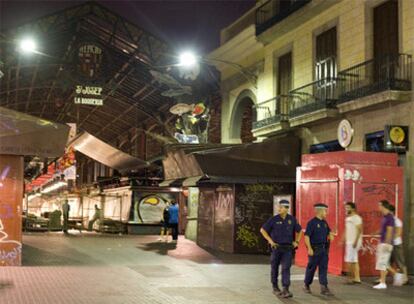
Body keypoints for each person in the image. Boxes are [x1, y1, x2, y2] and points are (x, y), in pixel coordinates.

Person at [260, 200, 302, 298]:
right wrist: (270, 241)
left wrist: (297, 242)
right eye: (278, 207)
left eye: (281, 207)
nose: (279, 209)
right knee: (274, 267)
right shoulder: (273, 219)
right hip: (276, 248)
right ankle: (275, 287)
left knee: (286, 268)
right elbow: (262, 230)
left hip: (287, 249)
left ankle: (285, 289)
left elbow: (299, 231)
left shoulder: (292, 220)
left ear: (287, 208)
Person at [303, 203, 335, 296]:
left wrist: (330, 235)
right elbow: (306, 237)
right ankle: (306, 285)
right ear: (319, 211)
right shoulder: (311, 223)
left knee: (323, 268)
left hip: (324, 250)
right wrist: (309, 248)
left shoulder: (324, 223)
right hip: (315, 249)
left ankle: (324, 287)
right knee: (311, 268)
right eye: (325, 211)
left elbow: (329, 232)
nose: (326, 213)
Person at [373, 200, 395, 289]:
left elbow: (390, 231)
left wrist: (386, 243)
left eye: (379, 205)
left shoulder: (389, 217)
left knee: (382, 263)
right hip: (383, 242)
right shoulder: (385, 217)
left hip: (386, 243)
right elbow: (383, 229)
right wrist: (375, 232)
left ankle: (383, 283)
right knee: (383, 263)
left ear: (383, 206)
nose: (378, 207)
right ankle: (398, 277)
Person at [387, 205, 407, 286]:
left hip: (396, 244)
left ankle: (405, 279)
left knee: (400, 262)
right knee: (387, 262)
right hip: (389, 244)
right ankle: (395, 278)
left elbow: (398, 233)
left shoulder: (397, 221)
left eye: (387, 210)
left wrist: (390, 240)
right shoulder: (388, 220)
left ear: (391, 211)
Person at [344, 202, 363, 284]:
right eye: (346, 207)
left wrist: (355, 241)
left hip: (353, 242)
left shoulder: (357, 218)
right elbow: (347, 230)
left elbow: (359, 230)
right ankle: (357, 278)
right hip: (350, 241)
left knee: (350, 260)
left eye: (348, 207)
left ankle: (350, 278)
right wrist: (343, 239)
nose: (346, 209)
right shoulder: (348, 218)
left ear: (353, 208)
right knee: (354, 260)